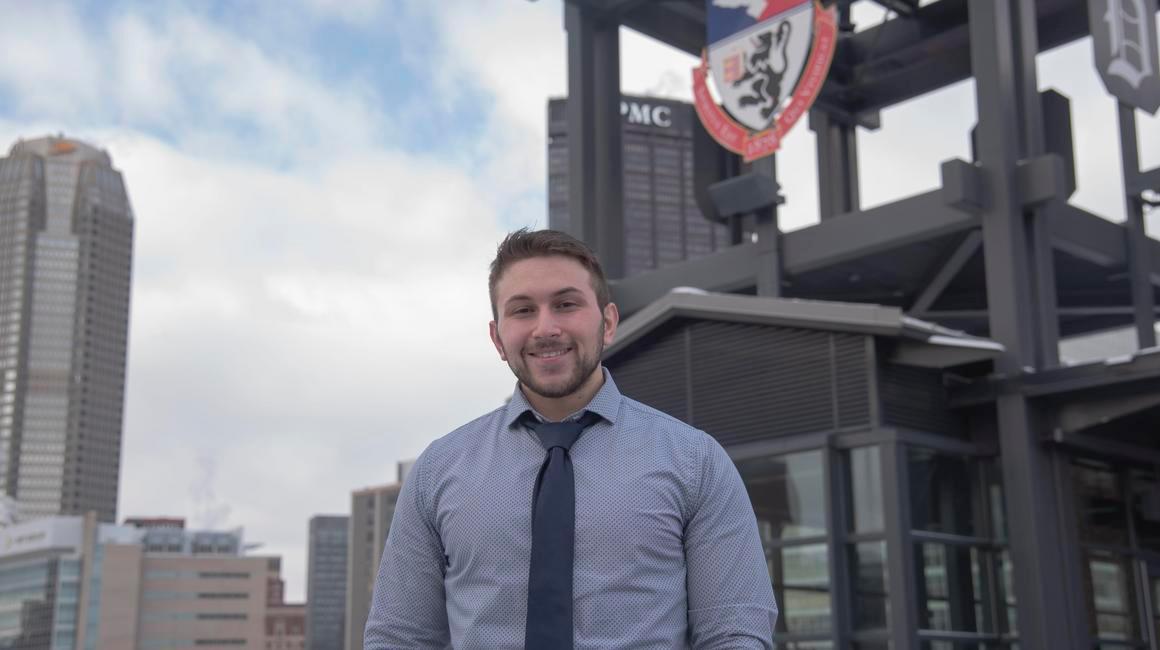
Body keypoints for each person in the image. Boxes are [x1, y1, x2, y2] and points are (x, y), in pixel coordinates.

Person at [364, 228, 777, 649]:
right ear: (497, 339)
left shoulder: (695, 462)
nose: (546, 328)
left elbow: (734, 632)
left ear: (608, 322)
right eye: (523, 310)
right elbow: (399, 637)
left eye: (566, 304)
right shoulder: (439, 470)